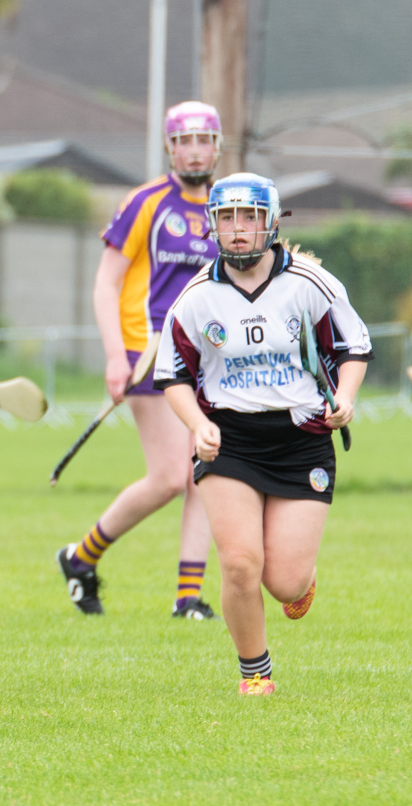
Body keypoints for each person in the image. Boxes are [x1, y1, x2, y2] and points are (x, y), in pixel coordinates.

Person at [154, 172, 371, 694]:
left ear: (271, 222)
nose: (239, 229)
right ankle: (255, 673)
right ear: (214, 225)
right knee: (240, 564)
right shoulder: (197, 297)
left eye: (249, 217)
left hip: (303, 437)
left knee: (285, 583)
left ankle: (303, 579)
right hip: (231, 441)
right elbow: (173, 376)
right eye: (228, 218)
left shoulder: (311, 283)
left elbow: (354, 346)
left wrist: (344, 399)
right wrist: (198, 424)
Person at [55, 101, 222, 619]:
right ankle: (81, 556)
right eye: (184, 141)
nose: (194, 150)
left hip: (210, 357)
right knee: (172, 476)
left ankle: (188, 597)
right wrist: (113, 355)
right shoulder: (146, 202)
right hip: (147, 351)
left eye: (204, 140)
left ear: (217, 146)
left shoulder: (229, 206)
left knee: (208, 467)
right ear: (170, 147)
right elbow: (106, 283)